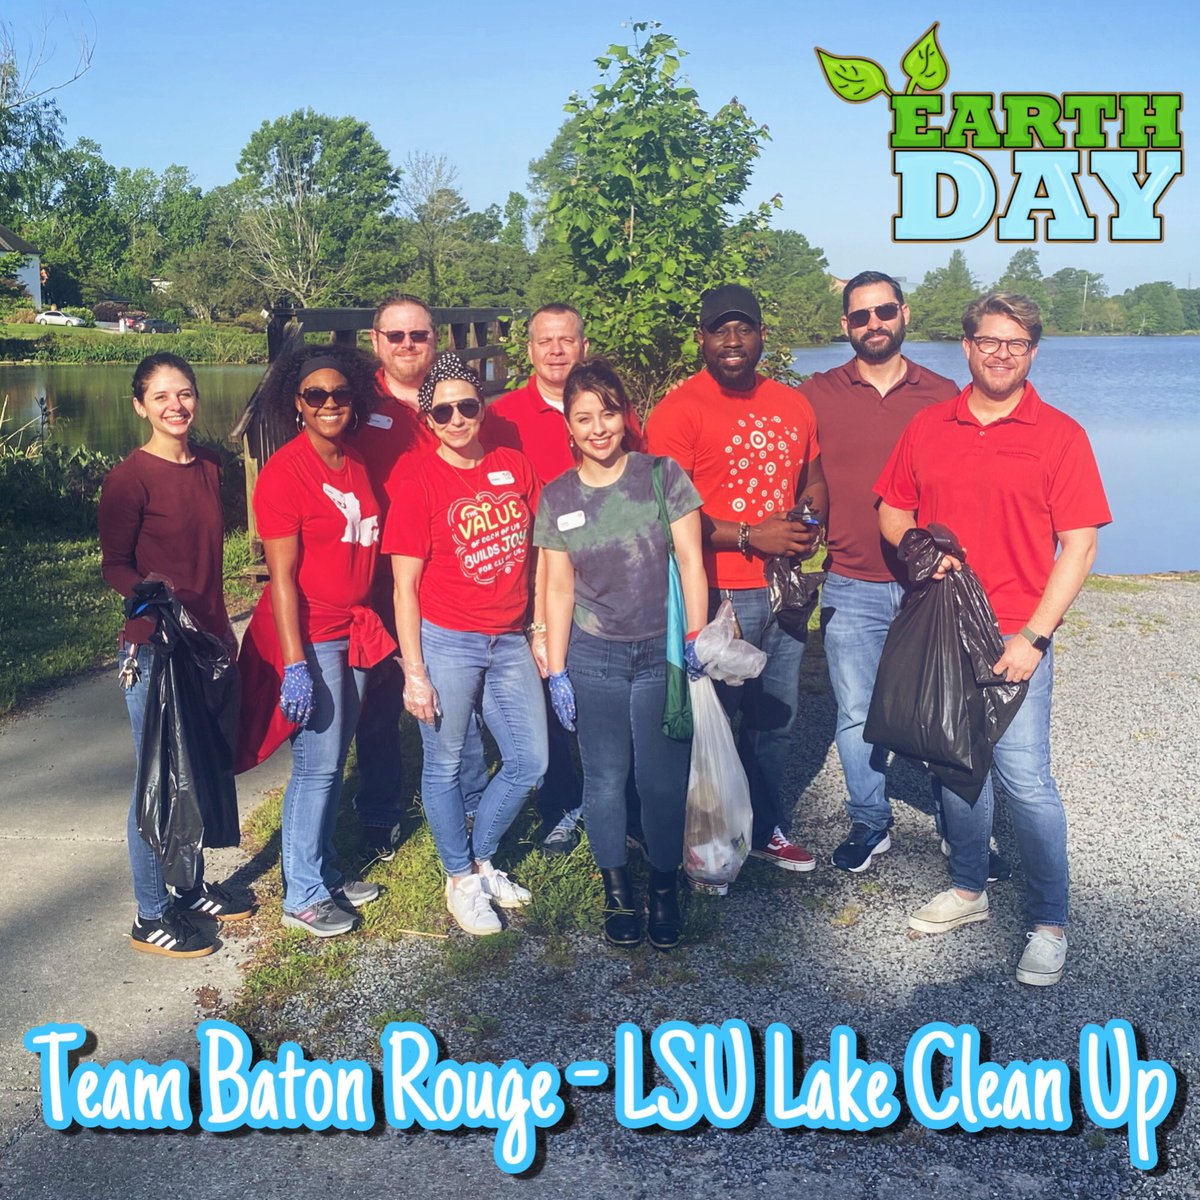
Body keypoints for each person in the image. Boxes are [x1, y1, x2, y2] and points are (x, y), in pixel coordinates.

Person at [876, 292, 1111, 986]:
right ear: (967, 346)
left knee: (1025, 779)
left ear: (1032, 351)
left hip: (1016, 629)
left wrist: (1035, 637)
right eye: (989, 340)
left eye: (1016, 342)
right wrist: (918, 544)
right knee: (955, 763)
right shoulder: (929, 425)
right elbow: (892, 509)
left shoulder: (1060, 435)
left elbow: (1080, 545)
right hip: (942, 624)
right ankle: (970, 889)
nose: (1001, 353)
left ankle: (1048, 921)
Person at [645, 284, 826, 873]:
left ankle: (768, 828)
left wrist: (811, 519)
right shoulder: (678, 411)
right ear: (700, 338)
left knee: (776, 717)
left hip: (785, 591)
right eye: (719, 329)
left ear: (760, 336)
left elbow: (813, 474)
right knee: (712, 719)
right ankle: (710, 833)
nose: (731, 340)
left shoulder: (792, 403)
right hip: (720, 591)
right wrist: (752, 535)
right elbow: (669, 516)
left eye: (742, 328)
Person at [535, 359, 707, 949]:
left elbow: (691, 562)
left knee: (661, 782)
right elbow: (557, 588)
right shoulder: (557, 496)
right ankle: (617, 892)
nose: (598, 427)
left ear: (624, 415)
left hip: (661, 655)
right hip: (593, 657)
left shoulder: (662, 476)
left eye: (608, 412)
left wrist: (695, 639)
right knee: (605, 780)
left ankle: (663, 887)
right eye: (584, 417)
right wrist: (557, 669)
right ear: (570, 426)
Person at [801, 271, 959, 872]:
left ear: (904, 315)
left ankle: (958, 824)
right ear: (845, 325)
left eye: (883, 311)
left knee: (939, 709)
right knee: (857, 712)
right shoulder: (815, 394)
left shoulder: (944, 394)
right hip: (851, 579)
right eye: (860, 315)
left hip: (928, 585)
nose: (873, 324)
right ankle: (870, 821)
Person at [385, 352, 547, 937]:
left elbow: (540, 556)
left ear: (483, 409)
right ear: (428, 419)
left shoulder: (515, 467)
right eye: (443, 411)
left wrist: (540, 628)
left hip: (508, 639)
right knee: (446, 761)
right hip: (447, 639)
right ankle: (460, 878)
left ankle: (482, 858)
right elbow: (404, 585)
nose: (457, 419)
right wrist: (414, 672)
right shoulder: (418, 481)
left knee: (531, 759)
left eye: (467, 407)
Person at [237, 344, 394, 938]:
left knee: (334, 758)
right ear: (296, 404)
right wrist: (297, 662)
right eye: (315, 396)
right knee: (318, 765)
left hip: (353, 629)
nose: (329, 404)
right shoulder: (286, 473)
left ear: (354, 400)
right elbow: (281, 581)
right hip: (314, 635)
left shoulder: (353, 463)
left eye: (340, 394)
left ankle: (324, 870)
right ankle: (301, 892)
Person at [98, 352, 251, 958]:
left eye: (184, 393)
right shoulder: (129, 478)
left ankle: (187, 889)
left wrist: (219, 627)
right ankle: (149, 912)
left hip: (205, 641)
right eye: (161, 397)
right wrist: (153, 601)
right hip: (155, 647)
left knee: (197, 770)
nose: (176, 406)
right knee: (158, 780)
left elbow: (210, 567)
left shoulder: (211, 466)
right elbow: (116, 564)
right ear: (140, 406)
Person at [483, 303, 591, 853]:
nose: (556, 350)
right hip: (533, 576)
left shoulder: (607, 405)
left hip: (603, 576)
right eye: (545, 341)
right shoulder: (502, 417)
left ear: (582, 346)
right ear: (529, 351)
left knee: (599, 688)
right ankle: (562, 805)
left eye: (566, 340)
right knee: (548, 691)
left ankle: (612, 800)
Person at [348, 295, 439, 863]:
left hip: (447, 568)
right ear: (376, 341)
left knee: (453, 686)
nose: (408, 345)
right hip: (377, 570)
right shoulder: (354, 403)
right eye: (396, 336)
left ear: (436, 340)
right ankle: (379, 811)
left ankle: (457, 797)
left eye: (419, 336)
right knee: (379, 701)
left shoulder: (456, 402)